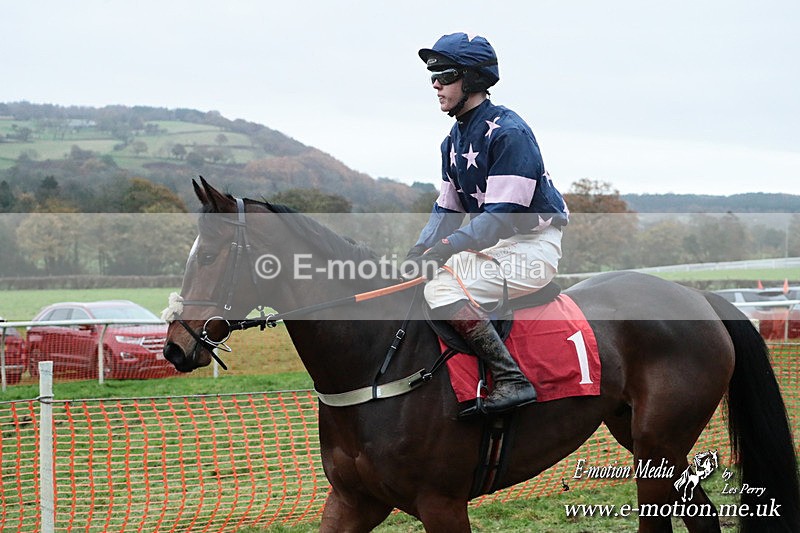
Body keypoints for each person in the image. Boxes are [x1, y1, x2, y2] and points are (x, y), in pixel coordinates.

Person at [406, 32, 569, 415]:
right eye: (432, 75)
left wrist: (444, 250)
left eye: (444, 74)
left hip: (533, 247)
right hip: (496, 245)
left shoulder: (509, 132)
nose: (435, 84)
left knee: (442, 287)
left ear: (473, 79)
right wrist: (418, 251)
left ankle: (511, 379)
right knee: (418, 279)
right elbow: (446, 210)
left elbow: (500, 217)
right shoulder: (453, 139)